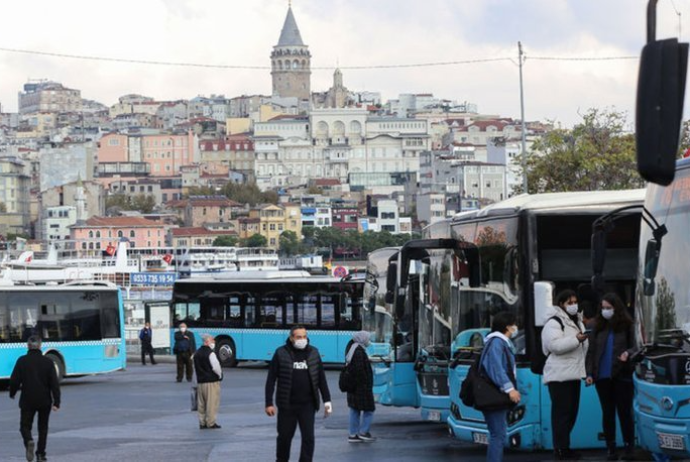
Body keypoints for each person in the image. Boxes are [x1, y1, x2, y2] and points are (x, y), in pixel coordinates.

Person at [265, 325, 332, 462]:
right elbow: (271, 379)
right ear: (291, 338)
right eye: (299, 337)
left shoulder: (314, 353)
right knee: (284, 437)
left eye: (304, 337)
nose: (302, 339)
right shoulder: (280, 353)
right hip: (287, 404)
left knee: (308, 438)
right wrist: (269, 403)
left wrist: (327, 401)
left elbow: (321, 379)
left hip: (308, 405)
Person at [585, 293, 636, 461]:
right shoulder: (597, 326)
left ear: (616, 308)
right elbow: (591, 352)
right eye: (603, 308)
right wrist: (590, 374)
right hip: (602, 377)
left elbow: (636, 347)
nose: (605, 311)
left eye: (609, 308)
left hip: (622, 375)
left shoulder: (627, 325)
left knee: (624, 413)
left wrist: (627, 354)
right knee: (607, 413)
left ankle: (629, 447)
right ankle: (611, 448)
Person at [542, 289, 588, 461]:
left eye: (575, 302)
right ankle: (560, 449)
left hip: (573, 374)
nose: (574, 305)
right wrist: (577, 339)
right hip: (559, 375)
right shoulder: (553, 322)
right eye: (570, 303)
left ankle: (564, 447)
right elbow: (555, 346)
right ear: (561, 304)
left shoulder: (576, 321)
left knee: (571, 413)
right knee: (562, 414)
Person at [9, 336, 61, 462]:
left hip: (27, 400)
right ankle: (40, 454)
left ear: (28, 346)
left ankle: (29, 441)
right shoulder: (48, 362)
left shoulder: (22, 361)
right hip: (44, 401)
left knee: (25, 426)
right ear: (40, 346)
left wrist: (12, 393)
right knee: (43, 428)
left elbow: (14, 380)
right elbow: (54, 383)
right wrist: (56, 402)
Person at [480, 311, 521, 462]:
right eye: (514, 324)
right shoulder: (497, 342)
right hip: (495, 394)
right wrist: (510, 389)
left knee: (497, 434)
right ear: (507, 327)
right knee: (498, 434)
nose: (516, 327)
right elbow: (496, 368)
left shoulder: (497, 342)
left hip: (495, 393)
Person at [344, 331, 376, 443]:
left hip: (354, 387)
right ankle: (363, 432)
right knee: (369, 409)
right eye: (367, 338)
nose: (368, 341)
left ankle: (353, 434)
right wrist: (366, 385)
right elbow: (359, 371)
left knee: (355, 410)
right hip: (360, 388)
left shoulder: (353, 348)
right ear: (362, 339)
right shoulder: (358, 351)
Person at [193, 334, 223, 429]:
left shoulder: (197, 353)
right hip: (211, 381)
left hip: (201, 381)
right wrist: (220, 375)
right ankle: (210, 422)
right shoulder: (211, 353)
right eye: (212, 341)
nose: (214, 342)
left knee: (201, 404)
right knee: (211, 403)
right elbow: (216, 367)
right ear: (207, 342)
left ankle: (202, 422)